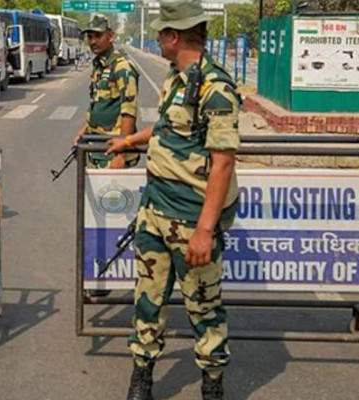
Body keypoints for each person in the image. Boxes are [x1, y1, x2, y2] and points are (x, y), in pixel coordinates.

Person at [105, 0, 242, 399]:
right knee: (147, 301)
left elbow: (223, 163)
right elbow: (166, 126)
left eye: (162, 34)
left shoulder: (216, 88)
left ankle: (212, 385)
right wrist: (129, 140)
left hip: (190, 219)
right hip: (154, 212)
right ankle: (142, 377)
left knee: (204, 309)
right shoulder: (176, 78)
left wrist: (204, 231)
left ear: (173, 37)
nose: (158, 40)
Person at [74, 14, 139, 297]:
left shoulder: (123, 68)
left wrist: (121, 152)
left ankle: (110, 276)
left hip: (113, 152)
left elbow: (128, 110)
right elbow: (96, 105)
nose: (92, 41)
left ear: (110, 36)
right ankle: (97, 273)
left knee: (114, 219)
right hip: (96, 149)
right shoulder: (99, 66)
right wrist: (82, 132)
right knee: (94, 217)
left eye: (97, 36)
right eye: (89, 36)